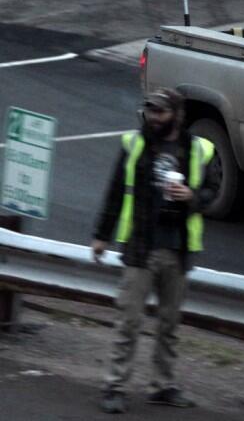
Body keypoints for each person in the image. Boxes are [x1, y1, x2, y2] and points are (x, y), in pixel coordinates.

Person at [91, 88, 216, 414]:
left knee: (169, 324)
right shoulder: (136, 144)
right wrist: (102, 235)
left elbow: (212, 191)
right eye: (149, 110)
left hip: (178, 249)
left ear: (175, 114)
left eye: (160, 111)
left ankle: (163, 385)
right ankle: (115, 385)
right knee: (129, 321)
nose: (152, 116)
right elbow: (116, 190)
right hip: (141, 247)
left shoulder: (197, 149)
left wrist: (191, 196)